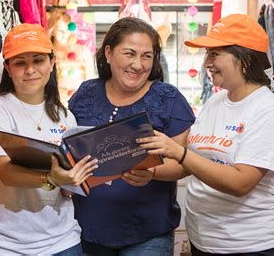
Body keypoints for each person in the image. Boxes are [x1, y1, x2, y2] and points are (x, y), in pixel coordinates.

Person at [137, 14, 274, 255]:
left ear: (245, 60)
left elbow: (240, 182)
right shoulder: (215, 102)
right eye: (207, 54)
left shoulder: (269, 110)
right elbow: (192, 164)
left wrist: (178, 152)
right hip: (205, 242)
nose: (207, 62)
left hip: (250, 246)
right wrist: (151, 172)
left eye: (215, 54)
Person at [68, 17, 196, 255]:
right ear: (108, 53)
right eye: (129, 53)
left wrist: (152, 173)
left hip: (147, 232)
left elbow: (183, 163)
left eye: (147, 56)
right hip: (87, 227)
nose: (138, 64)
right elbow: (67, 145)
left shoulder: (169, 98)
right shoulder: (86, 93)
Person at [0, 23, 98, 255]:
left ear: (52, 63)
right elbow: (5, 172)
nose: (30, 69)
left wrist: (78, 177)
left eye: (38, 60)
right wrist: (52, 178)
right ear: (8, 69)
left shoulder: (65, 116)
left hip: (62, 241)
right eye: (20, 62)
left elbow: (68, 188)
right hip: (1, 245)